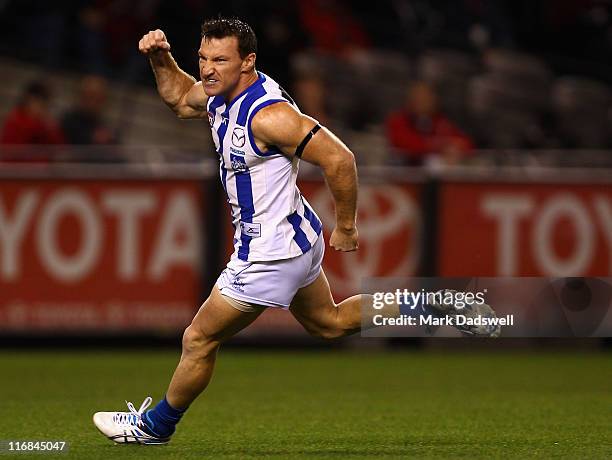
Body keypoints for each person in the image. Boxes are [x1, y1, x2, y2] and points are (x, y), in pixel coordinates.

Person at [93, 18, 499, 446]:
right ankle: (434, 305)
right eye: (203, 58)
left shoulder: (269, 116)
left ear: (248, 62)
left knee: (199, 338)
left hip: (269, 252)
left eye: (220, 60)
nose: (209, 69)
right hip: (295, 235)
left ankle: (155, 428)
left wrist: (346, 225)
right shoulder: (217, 94)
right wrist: (161, 59)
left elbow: (340, 159)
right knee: (330, 322)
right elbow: (179, 98)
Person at [386, 81, 473, 166]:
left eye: (426, 97)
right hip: (405, 172)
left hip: (438, 173)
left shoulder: (441, 121)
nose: (422, 101)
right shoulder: (397, 120)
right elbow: (406, 144)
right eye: (418, 97)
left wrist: (456, 147)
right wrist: (441, 145)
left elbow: (465, 143)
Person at [1, 80, 64, 147]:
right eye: (39, 103)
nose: (41, 108)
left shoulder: (47, 124)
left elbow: (60, 146)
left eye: (45, 105)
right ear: (28, 100)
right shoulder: (16, 120)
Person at [61, 75, 115, 145]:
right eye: (90, 96)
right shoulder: (68, 121)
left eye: (98, 99)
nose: (92, 102)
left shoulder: (103, 125)